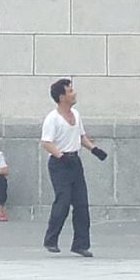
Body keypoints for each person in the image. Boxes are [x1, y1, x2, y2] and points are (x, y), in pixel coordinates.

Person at [41, 77, 102, 258]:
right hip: (59, 164)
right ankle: (51, 240)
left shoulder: (76, 114)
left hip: (75, 162)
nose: (74, 93)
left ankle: (81, 244)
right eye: (70, 91)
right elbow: (46, 143)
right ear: (61, 97)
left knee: (81, 204)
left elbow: (81, 137)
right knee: (63, 201)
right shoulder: (52, 119)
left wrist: (94, 149)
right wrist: (61, 156)